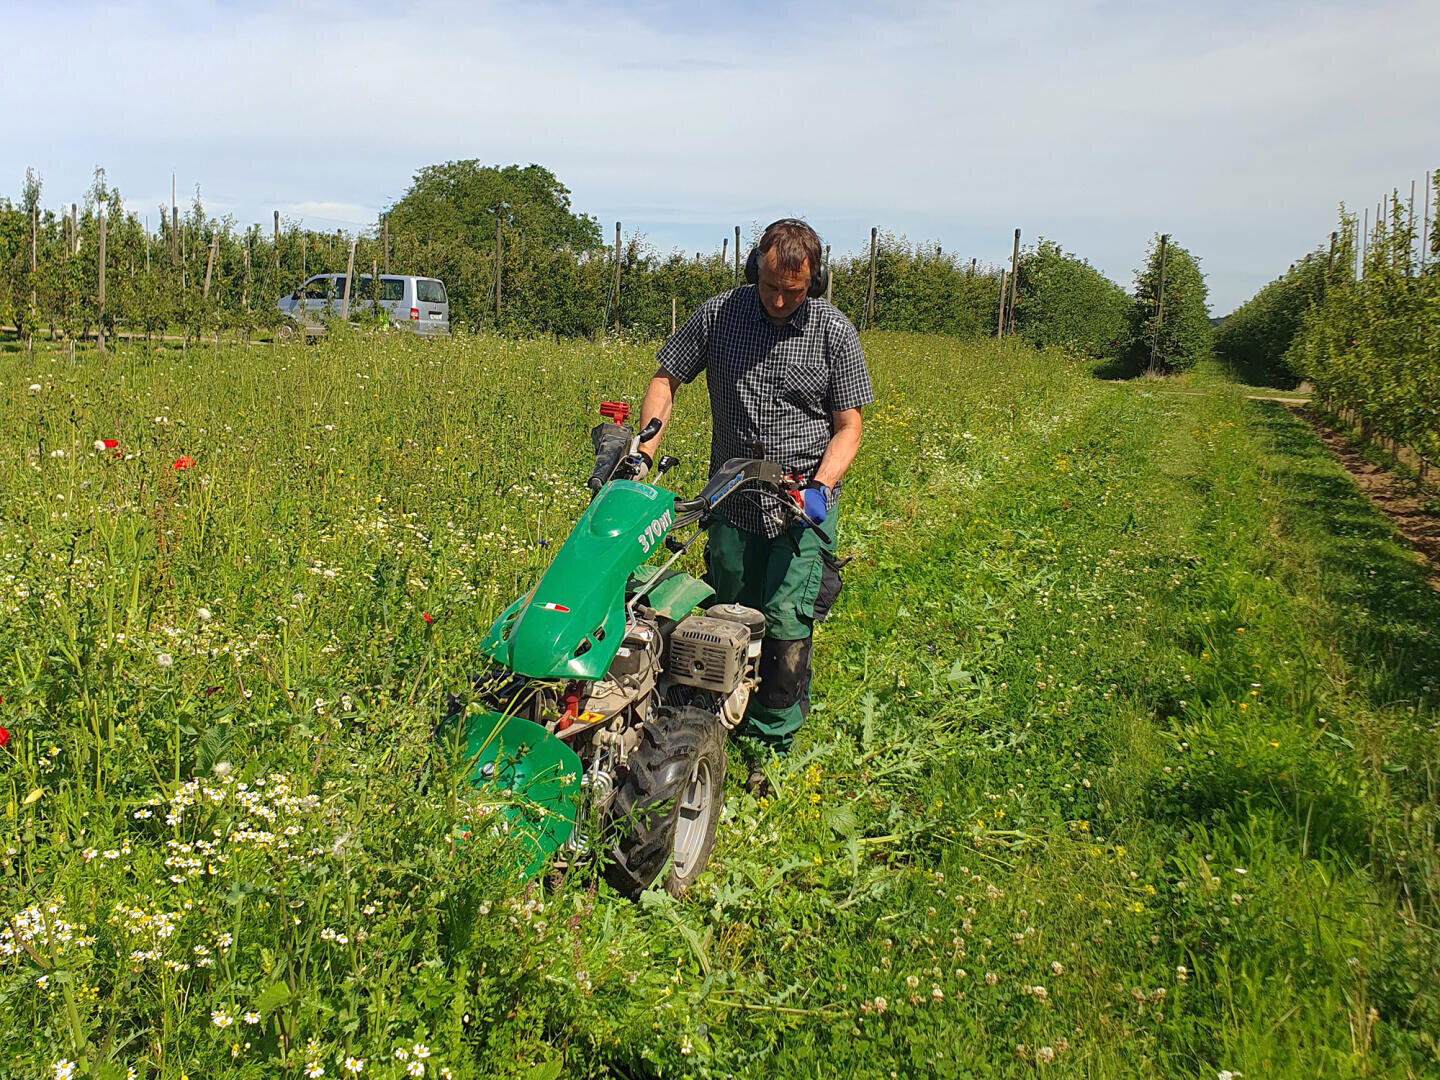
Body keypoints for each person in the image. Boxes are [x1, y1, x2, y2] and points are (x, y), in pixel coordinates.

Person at [629, 219, 874, 790]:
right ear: (752, 273)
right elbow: (666, 379)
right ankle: (717, 715)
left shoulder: (834, 332)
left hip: (799, 503)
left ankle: (771, 739)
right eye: (770, 288)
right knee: (727, 611)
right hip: (732, 499)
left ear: (815, 281)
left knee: (788, 621)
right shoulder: (721, 314)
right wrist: (643, 450)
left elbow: (849, 426)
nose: (782, 300)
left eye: (796, 291)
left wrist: (822, 485)